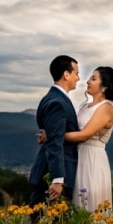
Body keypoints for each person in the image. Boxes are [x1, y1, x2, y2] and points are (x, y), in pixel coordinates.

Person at [37, 65, 113, 215]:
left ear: (104, 87)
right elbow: (72, 131)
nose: (87, 81)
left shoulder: (106, 108)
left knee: (90, 204)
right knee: (75, 205)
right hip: (78, 157)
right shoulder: (85, 107)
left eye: (93, 78)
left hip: (92, 160)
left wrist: (51, 135)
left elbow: (84, 135)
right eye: (90, 78)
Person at [29, 55, 80, 207]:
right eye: (76, 73)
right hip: (53, 176)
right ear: (66, 74)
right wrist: (57, 179)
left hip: (52, 173)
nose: (78, 78)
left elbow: (53, 135)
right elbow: (55, 143)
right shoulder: (57, 102)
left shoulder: (52, 98)